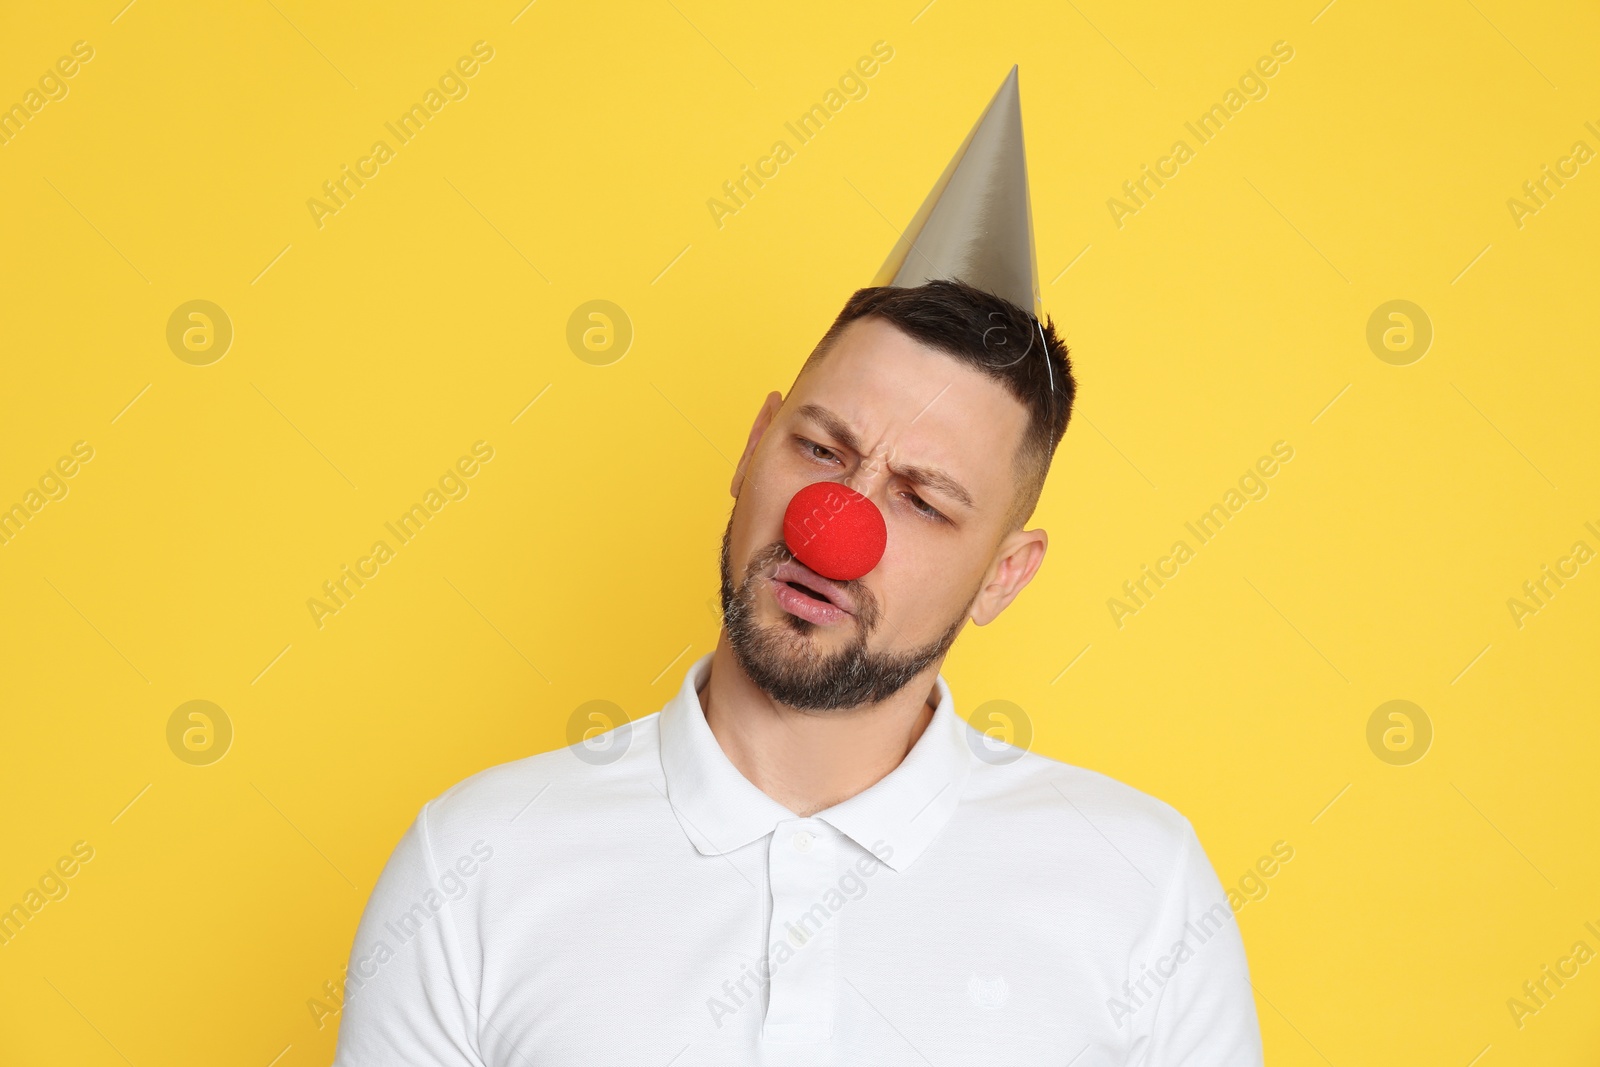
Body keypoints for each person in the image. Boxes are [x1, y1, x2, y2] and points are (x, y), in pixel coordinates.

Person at [330, 67, 1263, 1067]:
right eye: (820, 451)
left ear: (1005, 573)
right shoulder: (474, 862)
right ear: (752, 447)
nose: (835, 525)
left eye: (922, 498)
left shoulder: (1141, 884)